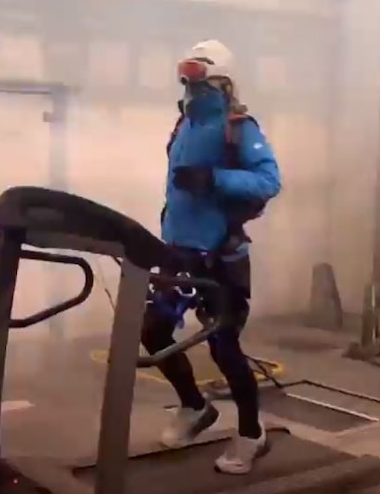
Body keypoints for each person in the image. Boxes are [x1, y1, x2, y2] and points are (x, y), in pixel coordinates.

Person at [141, 39, 282, 475]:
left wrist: (215, 178)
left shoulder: (239, 127)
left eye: (198, 77)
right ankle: (195, 407)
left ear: (221, 79)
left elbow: (268, 180)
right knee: (153, 332)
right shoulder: (182, 126)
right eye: (185, 77)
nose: (190, 86)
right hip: (178, 254)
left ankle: (251, 434)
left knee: (224, 348)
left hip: (220, 259)